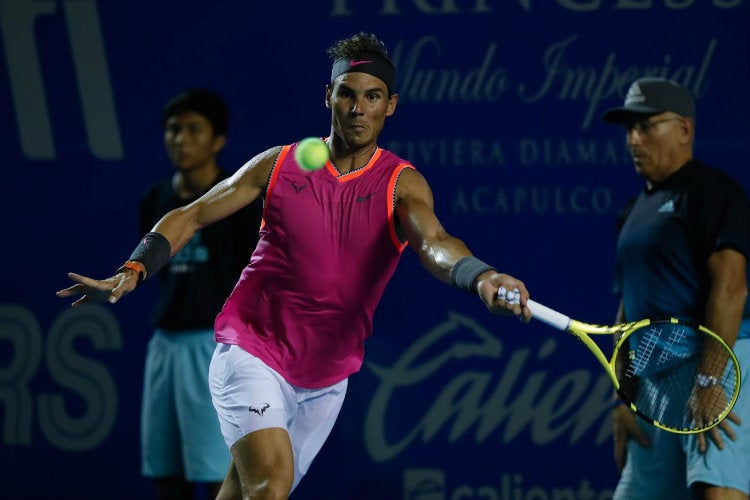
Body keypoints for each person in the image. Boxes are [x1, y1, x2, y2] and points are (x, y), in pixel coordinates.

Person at [56, 32, 532, 499]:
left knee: (244, 489)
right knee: (271, 484)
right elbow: (194, 213)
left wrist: (481, 276)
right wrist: (133, 269)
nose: (357, 108)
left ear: (391, 105)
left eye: (372, 97)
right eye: (346, 94)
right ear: (329, 96)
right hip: (253, 350)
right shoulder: (280, 165)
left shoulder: (402, 185)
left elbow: (435, 244)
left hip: (325, 377)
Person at [603, 77, 750, 500]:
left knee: (717, 493)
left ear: (685, 129)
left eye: (647, 126)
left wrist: (709, 380)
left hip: (719, 366)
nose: (634, 139)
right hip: (655, 382)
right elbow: (628, 312)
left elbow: (731, 287)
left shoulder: (713, 192)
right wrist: (625, 396)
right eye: (629, 129)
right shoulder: (633, 211)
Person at [140, 89, 263, 499]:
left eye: (194, 130)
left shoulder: (240, 204)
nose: (181, 139)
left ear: (218, 140)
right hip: (165, 348)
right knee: (165, 474)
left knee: (216, 478)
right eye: (174, 130)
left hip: (215, 351)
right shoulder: (155, 201)